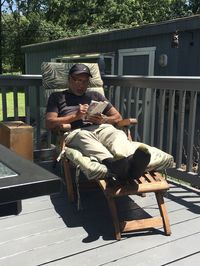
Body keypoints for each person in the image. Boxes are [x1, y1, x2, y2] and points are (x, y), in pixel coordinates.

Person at [46, 63, 173, 183]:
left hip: (101, 127)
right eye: (78, 80)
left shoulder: (95, 95)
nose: (81, 85)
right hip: (76, 131)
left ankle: (128, 162)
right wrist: (75, 116)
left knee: (116, 133)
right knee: (83, 136)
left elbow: (117, 116)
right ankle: (114, 164)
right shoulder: (57, 97)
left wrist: (104, 120)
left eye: (85, 81)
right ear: (70, 79)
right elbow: (49, 122)